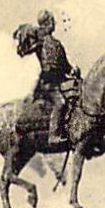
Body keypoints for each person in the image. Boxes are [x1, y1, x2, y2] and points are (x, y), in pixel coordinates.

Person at [18, 10, 77, 143]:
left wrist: (73, 70)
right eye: (50, 21)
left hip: (60, 81)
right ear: (45, 24)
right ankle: (53, 135)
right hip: (48, 83)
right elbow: (25, 50)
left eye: (52, 21)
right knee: (60, 103)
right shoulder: (40, 41)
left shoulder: (57, 43)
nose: (53, 24)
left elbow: (65, 64)